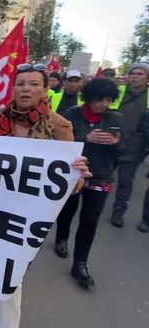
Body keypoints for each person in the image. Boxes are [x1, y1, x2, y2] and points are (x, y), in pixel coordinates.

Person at [0, 63, 90, 328]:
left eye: (33, 84)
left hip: (27, 213)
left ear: (45, 89)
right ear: (13, 88)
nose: (26, 89)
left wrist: (78, 174)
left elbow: (71, 184)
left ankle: (7, 323)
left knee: (12, 270)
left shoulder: (59, 125)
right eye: (21, 84)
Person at [55, 78, 121, 289]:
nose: (104, 104)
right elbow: (59, 143)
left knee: (90, 220)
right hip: (73, 173)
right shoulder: (72, 114)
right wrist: (86, 138)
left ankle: (80, 263)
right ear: (89, 97)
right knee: (67, 211)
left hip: (101, 176)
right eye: (100, 99)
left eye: (109, 99)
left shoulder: (116, 117)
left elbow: (127, 150)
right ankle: (61, 237)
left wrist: (116, 143)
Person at [110, 63, 149, 229]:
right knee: (99, 175)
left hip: (134, 149)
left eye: (140, 74)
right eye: (133, 73)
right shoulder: (118, 92)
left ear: (147, 78)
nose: (135, 77)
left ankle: (118, 212)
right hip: (111, 144)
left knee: (125, 181)